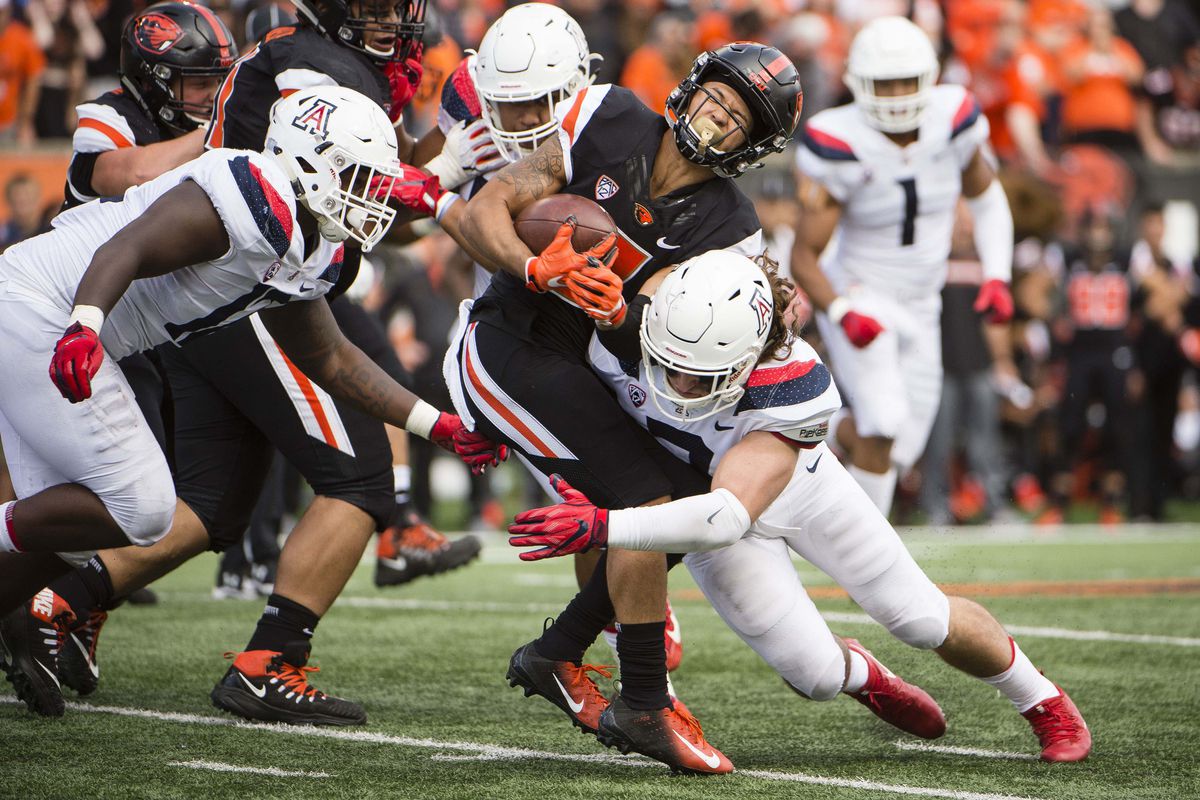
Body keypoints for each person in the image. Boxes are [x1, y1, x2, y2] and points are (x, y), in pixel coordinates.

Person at [11, 0, 479, 726]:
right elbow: (126, 243)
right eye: (363, 177)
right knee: (163, 502)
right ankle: (266, 662)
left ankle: (49, 606)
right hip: (59, 308)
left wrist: (437, 426)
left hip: (128, 314)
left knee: (184, 507)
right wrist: (86, 324)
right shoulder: (250, 183)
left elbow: (332, 357)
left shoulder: (306, 238)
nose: (376, 193)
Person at [508, 251, 1092, 764]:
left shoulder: (791, 380)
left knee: (918, 616)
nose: (680, 385)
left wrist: (604, 524)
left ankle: (1041, 699)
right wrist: (484, 422)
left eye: (701, 375)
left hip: (793, 495)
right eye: (671, 364)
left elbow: (728, 514)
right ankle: (865, 674)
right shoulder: (622, 332)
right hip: (707, 520)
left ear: (750, 355)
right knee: (816, 677)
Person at [447, 42, 802, 774]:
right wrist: (533, 267)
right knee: (644, 501)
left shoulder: (730, 228)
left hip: (593, 365)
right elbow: (486, 209)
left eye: (738, 118)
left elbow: (662, 331)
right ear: (692, 86)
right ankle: (643, 701)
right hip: (510, 344)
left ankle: (556, 654)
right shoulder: (606, 115)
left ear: (755, 145)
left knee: (686, 501)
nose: (717, 118)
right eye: (716, 98)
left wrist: (622, 312)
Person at [790, 15, 1015, 518]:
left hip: (923, 302)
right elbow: (804, 255)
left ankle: (821, 428)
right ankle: (865, 551)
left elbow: (987, 198)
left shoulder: (953, 119)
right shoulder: (840, 140)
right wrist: (842, 310)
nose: (895, 96)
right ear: (857, 84)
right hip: (862, 292)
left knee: (901, 449)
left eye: (906, 82)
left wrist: (998, 275)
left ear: (930, 77)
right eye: (884, 84)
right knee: (885, 424)